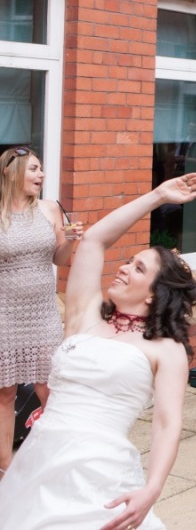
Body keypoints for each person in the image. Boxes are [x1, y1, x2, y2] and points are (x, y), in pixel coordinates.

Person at [0, 172, 196, 529]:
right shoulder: (85, 314)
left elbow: (166, 422)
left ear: (153, 294)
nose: (124, 268)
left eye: (138, 268)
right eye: (128, 260)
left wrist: (152, 488)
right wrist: (157, 196)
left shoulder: (166, 349)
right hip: (39, 465)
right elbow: (95, 240)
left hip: (102, 474)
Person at [0, 146, 84, 476]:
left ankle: (59, 462)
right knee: (5, 392)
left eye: (41, 170)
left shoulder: (49, 210)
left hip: (43, 312)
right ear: (11, 171)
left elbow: (58, 260)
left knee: (48, 387)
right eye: (34, 169)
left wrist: (71, 240)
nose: (41, 175)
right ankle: (4, 467)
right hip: (4, 314)